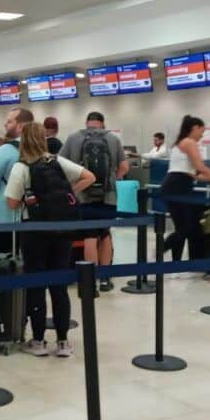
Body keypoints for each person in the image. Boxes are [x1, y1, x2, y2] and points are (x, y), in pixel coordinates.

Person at [5, 122, 94, 358]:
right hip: (61, 230)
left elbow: (12, 203)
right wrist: (66, 195)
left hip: (34, 232)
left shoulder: (21, 167)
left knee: (36, 285)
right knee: (59, 286)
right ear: (43, 139)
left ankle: (38, 341)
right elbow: (89, 176)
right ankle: (63, 342)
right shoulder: (57, 161)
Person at [61, 112, 129, 292]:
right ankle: (105, 279)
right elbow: (124, 166)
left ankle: (89, 279)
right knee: (105, 234)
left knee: (89, 236)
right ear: (103, 123)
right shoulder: (113, 139)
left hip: (83, 195)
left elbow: (60, 164)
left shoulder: (73, 138)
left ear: (86, 123)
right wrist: (113, 179)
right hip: (108, 196)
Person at [161, 115, 210, 271]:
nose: (202, 135)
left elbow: (194, 174)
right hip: (178, 186)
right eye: (202, 131)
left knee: (184, 226)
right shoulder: (189, 142)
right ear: (194, 128)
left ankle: (178, 263)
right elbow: (200, 166)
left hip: (177, 184)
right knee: (188, 226)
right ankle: (161, 251)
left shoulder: (179, 144)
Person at [0, 108, 34, 253]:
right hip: (33, 221)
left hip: (4, 220)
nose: (5, 125)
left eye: (10, 122)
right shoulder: (38, 150)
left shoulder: (3, 151)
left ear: (20, 126)